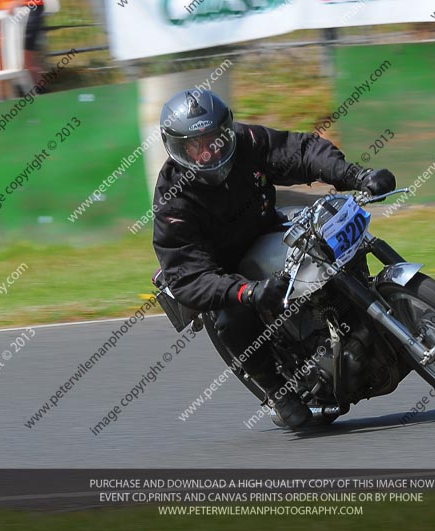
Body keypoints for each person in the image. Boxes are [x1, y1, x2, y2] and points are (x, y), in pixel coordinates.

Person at [152, 89, 396, 428]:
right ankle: (277, 391)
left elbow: (300, 151)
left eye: (215, 140)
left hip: (265, 224)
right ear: (177, 148)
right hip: (224, 267)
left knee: (328, 226)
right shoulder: (173, 202)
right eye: (196, 146)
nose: (209, 152)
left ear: (227, 131)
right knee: (230, 319)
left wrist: (356, 176)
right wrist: (247, 292)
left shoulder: (246, 141)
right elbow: (186, 277)